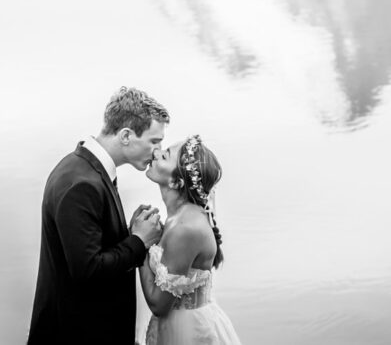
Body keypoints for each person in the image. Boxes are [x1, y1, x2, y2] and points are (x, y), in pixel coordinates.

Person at [28, 86, 170, 345]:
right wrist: (138, 241)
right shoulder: (81, 184)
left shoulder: (84, 169)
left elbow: (89, 247)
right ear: (126, 135)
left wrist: (128, 233)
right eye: (154, 141)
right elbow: (88, 270)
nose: (158, 151)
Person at [140, 135, 242, 345]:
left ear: (176, 181)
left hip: (186, 332)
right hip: (175, 325)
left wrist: (141, 242)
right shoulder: (179, 216)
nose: (156, 152)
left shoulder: (185, 229)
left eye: (165, 155)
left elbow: (159, 305)